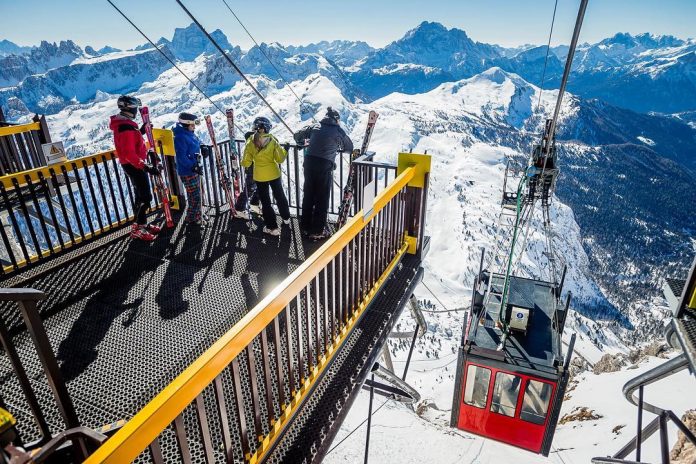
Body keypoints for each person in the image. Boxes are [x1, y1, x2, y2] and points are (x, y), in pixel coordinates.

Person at [294, 107, 353, 241]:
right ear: (336, 120)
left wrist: (303, 143)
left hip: (309, 164)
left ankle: (305, 226)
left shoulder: (315, 126)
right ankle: (317, 230)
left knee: (308, 194)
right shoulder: (338, 131)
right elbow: (349, 148)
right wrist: (338, 147)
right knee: (322, 198)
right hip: (324, 166)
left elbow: (297, 135)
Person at [109, 95, 161, 241]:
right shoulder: (125, 127)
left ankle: (140, 225)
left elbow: (132, 141)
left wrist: (142, 131)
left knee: (140, 196)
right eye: (135, 108)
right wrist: (145, 166)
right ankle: (139, 229)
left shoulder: (125, 124)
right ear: (129, 108)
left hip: (133, 165)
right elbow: (128, 153)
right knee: (145, 197)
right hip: (134, 165)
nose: (136, 111)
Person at [241, 117, 291, 236]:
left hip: (260, 176)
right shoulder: (272, 140)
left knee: (266, 201)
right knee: (280, 196)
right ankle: (286, 218)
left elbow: (246, 162)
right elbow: (280, 158)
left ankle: (272, 228)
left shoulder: (250, 141)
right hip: (274, 173)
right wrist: (286, 150)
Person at [173, 112, 206, 226]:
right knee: (194, 196)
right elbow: (181, 157)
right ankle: (191, 218)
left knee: (199, 193)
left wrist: (202, 145)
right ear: (186, 124)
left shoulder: (188, 133)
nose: (194, 127)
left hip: (194, 169)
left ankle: (198, 214)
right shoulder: (180, 137)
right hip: (187, 171)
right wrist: (193, 166)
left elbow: (196, 139)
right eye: (192, 125)